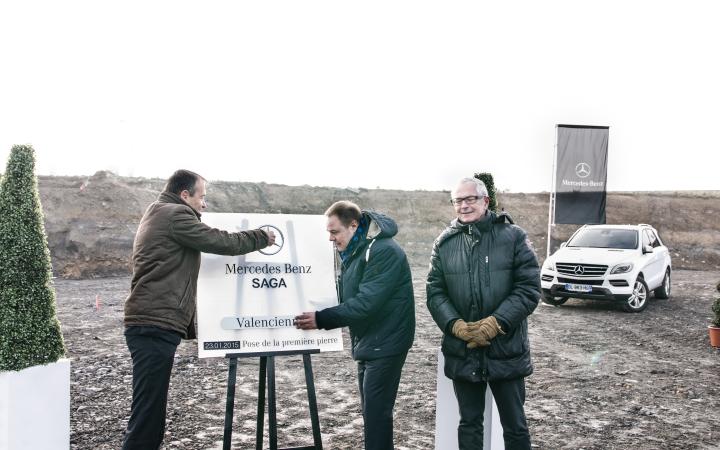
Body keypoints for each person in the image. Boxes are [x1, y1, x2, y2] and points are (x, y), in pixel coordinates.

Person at [122, 169, 275, 449]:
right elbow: (221, 241)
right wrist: (261, 237)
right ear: (185, 195)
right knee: (147, 413)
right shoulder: (175, 216)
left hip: (151, 322)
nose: (204, 204)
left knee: (149, 409)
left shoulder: (159, 213)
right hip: (155, 324)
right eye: (201, 197)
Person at [426, 177, 540, 450]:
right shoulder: (444, 243)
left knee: (514, 425)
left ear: (485, 201)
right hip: (464, 349)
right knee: (469, 423)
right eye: (458, 201)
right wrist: (455, 326)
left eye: (470, 199)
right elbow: (435, 292)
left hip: (505, 348)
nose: (464, 206)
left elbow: (529, 288)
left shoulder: (513, 237)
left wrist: (496, 323)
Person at [295, 200, 415, 450]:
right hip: (370, 342)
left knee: (376, 415)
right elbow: (347, 295)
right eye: (329, 232)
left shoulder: (383, 251)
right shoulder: (356, 251)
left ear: (353, 225)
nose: (331, 238)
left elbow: (365, 304)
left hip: (386, 344)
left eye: (334, 231)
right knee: (372, 413)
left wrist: (321, 318)